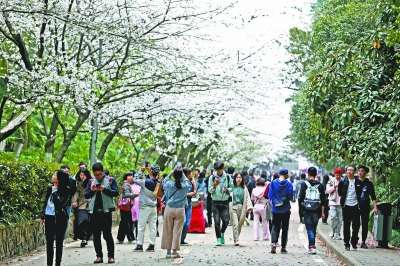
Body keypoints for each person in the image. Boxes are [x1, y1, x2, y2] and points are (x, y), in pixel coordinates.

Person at [84, 162, 119, 264]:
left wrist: (104, 189)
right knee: (96, 235)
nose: (98, 177)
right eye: (96, 175)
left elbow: (115, 192)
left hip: (106, 211)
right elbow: (86, 195)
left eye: (99, 174)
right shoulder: (91, 181)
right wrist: (93, 190)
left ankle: (111, 256)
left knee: (107, 235)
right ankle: (99, 256)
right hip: (94, 211)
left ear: (103, 172)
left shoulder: (110, 180)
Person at [41, 170, 71, 266]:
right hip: (49, 217)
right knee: (49, 242)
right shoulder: (50, 187)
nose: (52, 176)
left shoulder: (66, 189)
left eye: (55, 175)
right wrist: (43, 216)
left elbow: (60, 202)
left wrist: (55, 191)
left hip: (60, 218)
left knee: (58, 242)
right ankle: (49, 263)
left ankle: (57, 263)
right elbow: (46, 202)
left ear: (59, 179)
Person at [161, 166, 191, 258]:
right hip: (180, 210)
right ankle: (174, 252)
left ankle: (168, 252)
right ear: (182, 175)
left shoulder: (169, 184)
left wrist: (172, 172)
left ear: (174, 175)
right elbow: (188, 182)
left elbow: (165, 180)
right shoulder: (185, 186)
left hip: (169, 209)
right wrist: (182, 174)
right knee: (177, 231)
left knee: (167, 230)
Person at [132, 164, 160, 252]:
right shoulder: (159, 182)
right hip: (153, 207)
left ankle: (139, 245)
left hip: (145, 207)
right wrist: (149, 171)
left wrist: (141, 170)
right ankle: (152, 245)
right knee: (153, 226)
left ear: (150, 171)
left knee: (141, 226)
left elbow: (135, 179)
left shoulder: (146, 182)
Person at [298, 167, 325, 254]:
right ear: (316, 174)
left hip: (307, 209)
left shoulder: (304, 184)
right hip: (317, 209)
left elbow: (301, 197)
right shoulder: (320, 185)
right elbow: (323, 200)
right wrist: (323, 212)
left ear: (308, 174)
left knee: (309, 228)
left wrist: (302, 208)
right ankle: (310, 246)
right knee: (313, 228)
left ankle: (312, 246)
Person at [208, 161, 233, 246]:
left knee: (226, 220)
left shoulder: (228, 177)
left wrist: (227, 190)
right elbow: (209, 190)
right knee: (217, 221)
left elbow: (232, 187)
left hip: (225, 201)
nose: (218, 171)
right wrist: (214, 186)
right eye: (217, 169)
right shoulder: (211, 178)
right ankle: (218, 238)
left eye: (219, 169)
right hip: (215, 201)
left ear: (222, 168)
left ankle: (222, 233)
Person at [268, 168, 293, 254]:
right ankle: (283, 247)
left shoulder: (273, 183)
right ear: (286, 175)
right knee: (285, 228)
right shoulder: (289, 184)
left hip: (275, 209)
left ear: (279, 174)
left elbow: (270, 196)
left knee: (275, 227)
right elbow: (290, 197)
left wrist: (275, 202)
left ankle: (274, 243)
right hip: (285, 209)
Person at [338, 165, 362, 251]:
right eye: (348, 170)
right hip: (346, 206)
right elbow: (340, 193)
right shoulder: (342, 181)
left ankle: (354, 241)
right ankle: (346, 243)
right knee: (346, 225)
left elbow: (360, 194)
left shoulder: (358, 181)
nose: (349, 172)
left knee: (356, 225)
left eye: (351, 170)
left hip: (356, 206)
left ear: (354, 172)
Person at [357, 165, 378, 249]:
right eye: (359, 171)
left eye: (362, 171)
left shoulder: (369, 184)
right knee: (356, 223)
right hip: (355, 206)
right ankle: (355, 238)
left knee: (365, 224)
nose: (360, 172)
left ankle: (363, 241)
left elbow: (373, 196)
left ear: (365, 172)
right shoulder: (355, 182)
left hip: (365, 206)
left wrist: (375, 207)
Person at [231, 172, 253, 246]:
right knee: (235, 224)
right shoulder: (232, 187)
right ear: (235, 179)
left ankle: (236, 237)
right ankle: (236, 239)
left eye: (240, 177)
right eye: (237, 177)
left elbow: (247, 198)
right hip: (233, 207)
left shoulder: (244, 188)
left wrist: (249, 207)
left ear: (242, 178)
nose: (239, 179)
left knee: (240, 224)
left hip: (242, 208)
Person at [117, 172, 139, 244]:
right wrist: (135, 195)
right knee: (127, 222)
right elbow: (126, 194)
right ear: (126, 177)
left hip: (125, 206)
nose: (131, 177)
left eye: (132, 176)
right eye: (129, 176)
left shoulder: (126, 184)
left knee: (124, 222)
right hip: (125, 206)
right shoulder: (127, 184)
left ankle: (121, 238)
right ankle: (130, 238)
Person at [72, 168, 91, 247]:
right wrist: (74, 201)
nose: (82, 177)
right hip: (81, 203)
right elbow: (77, 192)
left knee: (89, 222)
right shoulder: (78, 182)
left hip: (90, 204)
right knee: (82, 220)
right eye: (81, 175)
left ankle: (86, 238)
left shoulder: (91, 182)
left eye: (84, 175)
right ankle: (83, 238)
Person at [181, 167, 197, 246]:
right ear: (187, 175)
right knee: (183, 223)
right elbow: (179, 193)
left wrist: (194, 183)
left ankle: (182, 239)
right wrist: (188, 194)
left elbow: (195, 192)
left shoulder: (191, 181)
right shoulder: (180, 182)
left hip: (189, 204)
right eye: (190, 173)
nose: (192, 175)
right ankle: (178, 238)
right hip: (181, 205)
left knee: (187, 223)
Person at [326, 168, 343, 240]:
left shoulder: (343, 181)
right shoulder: (331, 181)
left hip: (341, 202)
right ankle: (332, 230)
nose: (338, 176)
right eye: (337, 175)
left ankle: (338, 233)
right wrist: (334, 187)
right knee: (333, 217)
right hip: (332, 202)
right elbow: (327, 191)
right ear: (335, 174)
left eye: (339, 175)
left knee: (340, 219)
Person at [131, 172, 141, 243]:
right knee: (138, 222)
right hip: (137, 205)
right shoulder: (142, 186)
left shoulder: (131, 186)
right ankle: (136, 237)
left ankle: (133, 237)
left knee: (133, 222)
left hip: (134, 205)